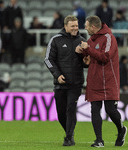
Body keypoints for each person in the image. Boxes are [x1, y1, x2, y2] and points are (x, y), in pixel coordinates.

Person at [75, 15, 127, 147]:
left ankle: (121, 130)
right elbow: (90, 58)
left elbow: (105, 57)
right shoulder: (91, 40)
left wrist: (87, 49)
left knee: (110, 110)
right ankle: (99, 140)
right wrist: (83, 55)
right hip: (94, 80)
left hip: (108, 80)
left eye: (86, 26)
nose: (85, 28)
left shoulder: (109, 38)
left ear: (93, 27)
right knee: (94, 110)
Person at [44, 15, 87, 146]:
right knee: (61, 113)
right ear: (65, 26)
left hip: (75, 83)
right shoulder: (55, 40)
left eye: (76, 25)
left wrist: (85, 57)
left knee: (70, 109)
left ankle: (68, 137)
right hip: (60, 83)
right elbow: (48, 59)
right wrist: (57, 75)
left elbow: (86, 63)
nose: (75, 28)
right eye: (73, 26)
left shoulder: (82, 41)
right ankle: (70, 132)